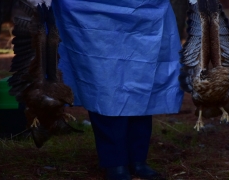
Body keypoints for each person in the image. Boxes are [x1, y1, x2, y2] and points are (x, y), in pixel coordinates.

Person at [51, 0, 184, 179]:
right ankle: (115, 162)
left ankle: (137, 159)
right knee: (103, 84)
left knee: (141, 79)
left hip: (143, 9)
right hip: (89, 10)